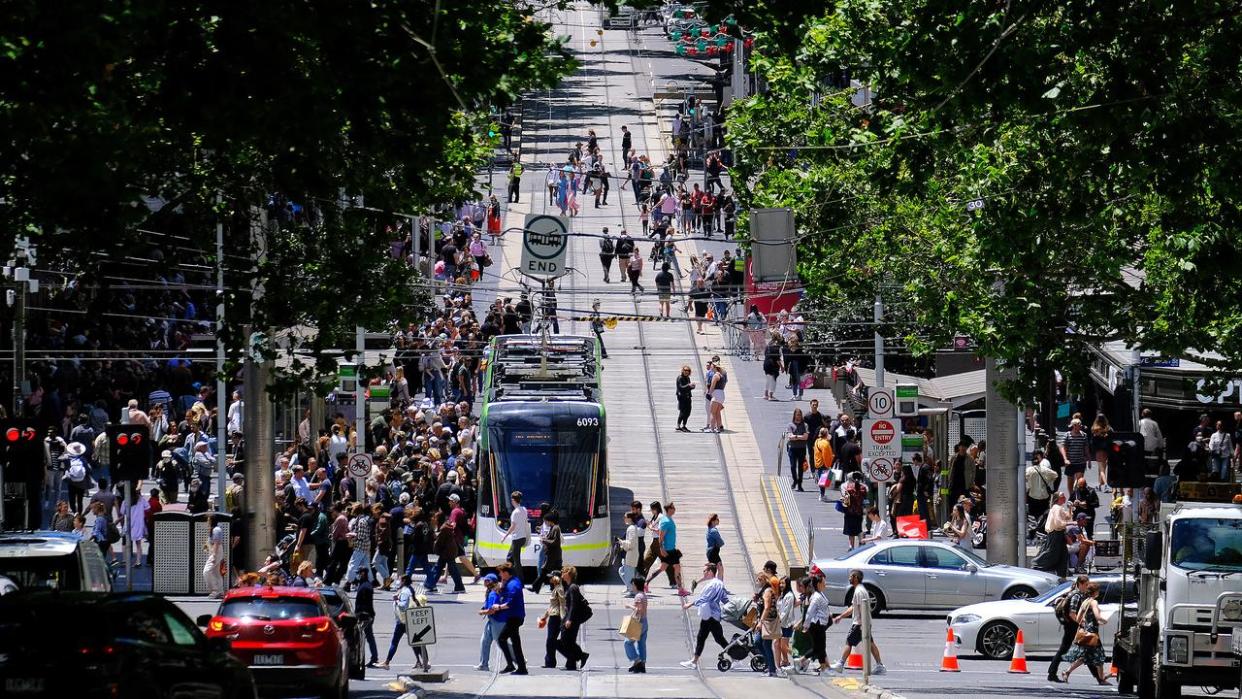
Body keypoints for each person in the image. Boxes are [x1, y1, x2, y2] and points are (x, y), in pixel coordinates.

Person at [829, 570, 885, 674]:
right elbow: (853, 607)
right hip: (864, 623)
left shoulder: (859, 591)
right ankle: (880, 665)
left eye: (850, 576)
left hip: (859, 623)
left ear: (855, 577)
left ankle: (840, 664)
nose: (849, 578)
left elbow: (860, 608)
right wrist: (841, 616)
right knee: (870, 644)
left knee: (849, 642)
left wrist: (861, 624)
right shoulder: (860, 590)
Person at [679, 562, 731, 670]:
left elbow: (706, 598)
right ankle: (694, 660)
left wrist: (691, 604)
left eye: (704, 571)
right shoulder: (719, 583)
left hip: (710, 615)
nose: (703, 573)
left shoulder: (713, 585)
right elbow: (724, 598)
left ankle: (694, 661)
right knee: (711, 638)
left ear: (710, 572)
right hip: (713, 615)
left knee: (711, 638)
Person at [1059, 582, 1111, 685]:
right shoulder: (1093, 602)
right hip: (1092, 634)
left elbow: (1078, 618)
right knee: (1099, 656)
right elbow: (1097, 616)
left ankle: (1067, 672)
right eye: (1098, 591)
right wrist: (1104, 620)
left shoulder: (1085, 602)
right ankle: (1101, 679)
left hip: (1086, 631)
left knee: (1085, 657)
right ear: (1095, 592)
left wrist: (1087, 623)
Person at [1047, 574, 1090, 682]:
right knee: (1065, 649)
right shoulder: (1076, 595)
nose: (1087, 587)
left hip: (1072, 626)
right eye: (1085, 584)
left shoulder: (1078, 594)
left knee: (1073, 649)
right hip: (1071, 626)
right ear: (1080, 584)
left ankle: (1052, 673)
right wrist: (1081, 622)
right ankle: (1052, 673)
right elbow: (1072, 613)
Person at [493, 562, 529, 674]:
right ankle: (520, 667)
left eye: (500, 573)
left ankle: (512, 665)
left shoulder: (513, 585)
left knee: (502, 639)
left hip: (515, 616)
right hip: (513, 616)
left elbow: (510, 603)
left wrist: (498, 607)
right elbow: (502, 594)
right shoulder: (511, 582)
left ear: (506, 573)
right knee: (515, 641)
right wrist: (503, 585)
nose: (499, 575)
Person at [644, 501, 686, 595]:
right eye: (673, 508)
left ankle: (646, 583)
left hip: (670, 548)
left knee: (662, 568)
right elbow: (661, 536)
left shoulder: (668, 519)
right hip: (668, 550)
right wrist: (662, 549)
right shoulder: (666, 521)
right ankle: (680, 589)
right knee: (677, 568)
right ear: (669, 510)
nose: (674, 509)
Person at [559, 566, 591, 670]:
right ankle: (572, 662)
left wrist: (569, 619)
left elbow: (574, 604)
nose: (562, 574)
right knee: (569, 641)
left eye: (563, 572)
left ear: (568, 574)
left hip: (573, 618)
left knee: (565, 640)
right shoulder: (569, 586)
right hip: (571, 617)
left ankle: (581, 656)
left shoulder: (573, 587)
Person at [800, 575, 832, 673]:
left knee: (819, 648)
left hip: (821, 624)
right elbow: (810, 612)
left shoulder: (820, 594)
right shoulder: (816, 597)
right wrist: (806, 625)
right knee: (820, 648)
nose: (825, 584)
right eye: (823, 582)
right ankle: (822, 668)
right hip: (817, 625)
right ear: (818, 584)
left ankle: (802, 660)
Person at [500, 491, 529, 584]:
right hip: (522, 537)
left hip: (517, 538)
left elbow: (512, 526)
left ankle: (518, 580)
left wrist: (505, 536)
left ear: (513, 500)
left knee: (514, 560)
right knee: (512, 559)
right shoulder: (524, 509)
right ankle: (512, 578)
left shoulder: (515, 513)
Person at [476, 573, 503, 671]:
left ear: (491, 582)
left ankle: (519, 659)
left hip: (498, 621)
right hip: (492, 621)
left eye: (487, 580)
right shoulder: (490, 591)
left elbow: (492, 610)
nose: (484, 582)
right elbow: (487, 605)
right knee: (484, 641)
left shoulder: (493, 593)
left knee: (501, 643)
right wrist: (484, 608)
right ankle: (483, 664)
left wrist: (482, 612)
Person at [531, 510, 562, 594]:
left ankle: (535, 587)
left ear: (549, 521)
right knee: (553, 572)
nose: (545, 523)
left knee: (544, 571)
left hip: (553, 555)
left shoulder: (556, 528)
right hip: (553, 554)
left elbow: (555, 542)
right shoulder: (553, 528)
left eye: (545, 521)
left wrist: (545, 540)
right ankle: (538, 588)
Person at [539, 573, 566, 668]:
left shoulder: (559, 589)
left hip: (556, 617)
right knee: (550, 640)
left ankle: (550, 662)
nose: (549, 579)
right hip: (552, 616)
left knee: (551, 640)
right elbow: (552, 606)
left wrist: (563, 619)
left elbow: (562, 605)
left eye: (551, 577)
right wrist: (545, 616)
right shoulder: (555, 589)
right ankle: (550, 662)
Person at [756, 571, 781, 677]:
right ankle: (770, 666)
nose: (757, 582)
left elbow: (766, 608)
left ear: (763, 580)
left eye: (758, 580)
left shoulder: (767, 591)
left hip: (767, 621)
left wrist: (760, 622)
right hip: (765, 620)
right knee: (758, 642)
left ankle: (772, 669)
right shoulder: (767, 590)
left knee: (765, 644)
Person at [355, 568, 380, 668]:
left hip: (365, 616)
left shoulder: (366, 587)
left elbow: (365, 603)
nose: (358, 576)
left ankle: (373, 658)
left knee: (363, 637)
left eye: (359, 574)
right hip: (366, 615)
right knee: (369, 637)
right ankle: (374, 657)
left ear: (363, 573)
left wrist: (363, 615)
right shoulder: (365, 585)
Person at [623, 576, 648, 673]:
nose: (632, 586)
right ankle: (642, 664)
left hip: (638, 622)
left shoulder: (638, 596)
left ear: (636, 585)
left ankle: (636, 660)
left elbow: (639, 610)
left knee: (627, 643)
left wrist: (629, 606)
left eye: (633, 584)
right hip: (644, 622)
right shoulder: (643, 595)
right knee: (641, 644)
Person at [1061, 419, 1091, 497]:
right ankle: (1071, 496)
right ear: (1074, 426)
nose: (1081, 426)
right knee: (1070, 480)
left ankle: (1078, 495)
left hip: (1080, 462)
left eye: (1081, 424)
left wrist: (1089, 460)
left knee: (1079, 480)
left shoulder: (1084, 435)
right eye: (1079, 424)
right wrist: (1065, 459)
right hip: (1070, 462)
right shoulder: (1067, 435)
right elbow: (1063, 447)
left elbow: (1086, 448)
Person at [842, 472, 868, 549]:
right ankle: (861, 543)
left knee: (851, 531)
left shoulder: (848, 488)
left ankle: (851, 546)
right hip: (859, 512)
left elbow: (845, 502)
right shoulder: (863, 488)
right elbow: (865, 500)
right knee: (859, 529)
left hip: (849, 512)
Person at [203, 513, 225, 598]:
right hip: (215, 551)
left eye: (208, 519)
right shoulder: (214, 529)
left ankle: (215, 590)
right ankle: (220, 591)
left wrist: (214, 555)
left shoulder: (216, 530)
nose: (207, 521)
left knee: (207, 571)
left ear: (212, 520)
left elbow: (216, 543)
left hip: (216, 551)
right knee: (216, 572)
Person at [786, 408, 809, 492]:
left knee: (800, 467)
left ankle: (799, 484)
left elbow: (806, 437)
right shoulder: (790, 425)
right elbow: (790, 437)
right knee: (792, 466)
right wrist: (800, 437)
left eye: (800, 415)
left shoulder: (805, 425)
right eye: (797, 414)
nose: (798, 416)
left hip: (801, 448)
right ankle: (795, 480)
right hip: (792, 448)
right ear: (794, 415)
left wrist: (795, 436)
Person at [618, 511, 641, 593]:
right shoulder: (632, 527)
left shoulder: (631, 528)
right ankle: (629, 587)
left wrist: (621, 542)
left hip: (631, 554)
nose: (624, 519)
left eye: (625, 517)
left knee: (629, 574)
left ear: (630, 518)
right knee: (622, 571)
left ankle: (632, 590)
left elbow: (631, 544)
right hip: (629, 554)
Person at [705, 513, 725, 582]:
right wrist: (721, 544)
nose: (718, 520)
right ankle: (720, 587)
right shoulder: (714, 531)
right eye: (717, 519)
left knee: (715, 570)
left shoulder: (710, 529)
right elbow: (721, 542)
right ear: (713, 521)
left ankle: (718, 586)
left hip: (711, 552)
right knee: (719, 569)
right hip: (713, 552)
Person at [675, 365, 696, 432]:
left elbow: (687, 388)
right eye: (685, 370)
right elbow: (681, 388)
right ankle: (678, 425)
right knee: (683, 411)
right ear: (683, 371)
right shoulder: (680, 378)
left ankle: (684, 425)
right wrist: (689, 385)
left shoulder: (688, 378)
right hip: (682, 397)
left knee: (688, 412)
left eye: (688, 371)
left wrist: (692, 387)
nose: (686, 372)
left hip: (688, 397)